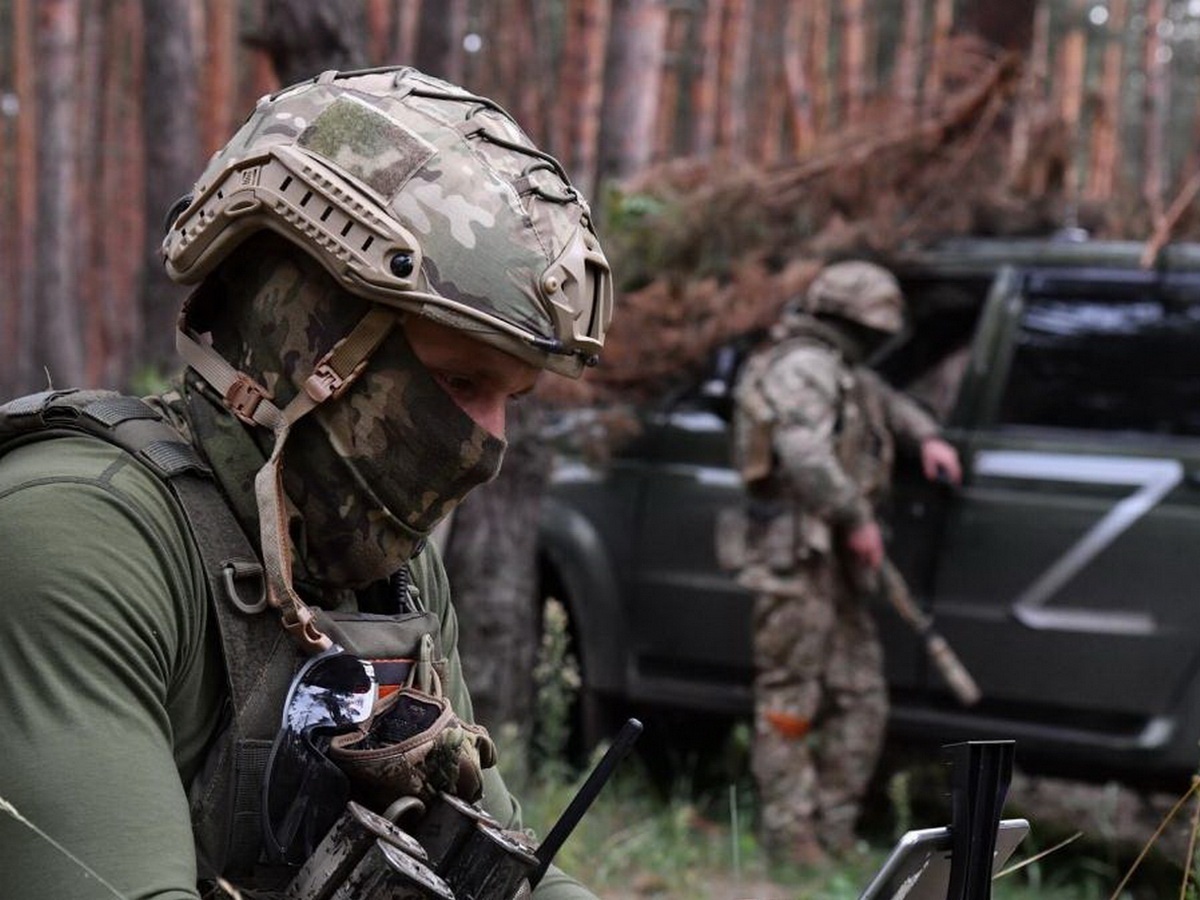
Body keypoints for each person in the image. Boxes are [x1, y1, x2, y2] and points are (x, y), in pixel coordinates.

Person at [0, 67, 611, 899]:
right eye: (461, 381)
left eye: (515, 398)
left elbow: (502, 871)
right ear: (304, 338)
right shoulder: (79, 537)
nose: (488, 442)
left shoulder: (392, 580)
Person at [728, 260, 961, 865]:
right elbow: (802, 452)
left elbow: (884, 400)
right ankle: (790, 836)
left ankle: (834, 830)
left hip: (834, 567)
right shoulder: (803, 366)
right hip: (797, 558)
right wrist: (856, 518)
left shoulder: (840, 368)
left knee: (861, 697)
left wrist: (926, 436)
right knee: (790, 697)